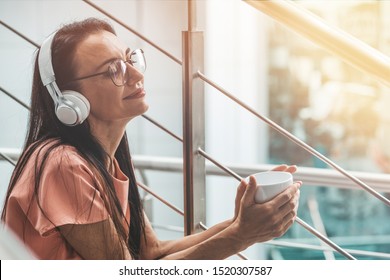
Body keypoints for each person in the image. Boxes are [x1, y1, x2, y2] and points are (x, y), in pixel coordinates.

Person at [1, 18, 301, 260]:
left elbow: (151, 253)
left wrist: (241, 223)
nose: (135, 74)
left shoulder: (107, 161)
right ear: (68, 100)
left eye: (130, 59)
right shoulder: (62, 164)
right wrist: (242, 235)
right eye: (113, 70)